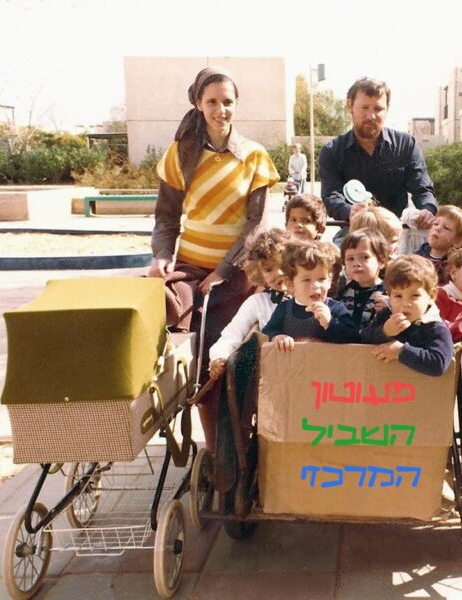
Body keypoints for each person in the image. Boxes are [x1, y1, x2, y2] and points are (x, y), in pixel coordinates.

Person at [148, 66, 279, 450]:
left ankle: (238, 448)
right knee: (192, 351)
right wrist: (161, 256)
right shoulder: (180, 154)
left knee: (230, 361)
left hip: (236, 275)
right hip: (190, 270)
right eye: (212, 102)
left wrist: (222, 270)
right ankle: (210, 447)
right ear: (198, 104)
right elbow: (166, 217)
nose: (221, 110)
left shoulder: (254, 156)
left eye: (228, 102)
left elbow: (256, 224)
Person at [319, 77, 438, 238]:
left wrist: (427, 209)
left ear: (387, 109)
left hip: (397, 235)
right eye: (364, 107)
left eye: (378, 109)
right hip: (353, 234)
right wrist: (349, 211)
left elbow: (422, 188)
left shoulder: (405, 145)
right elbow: (331, 195)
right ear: (350, 106)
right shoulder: (332, 151)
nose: (371, 116)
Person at [208, 228, 288, 379]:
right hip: (272, 376)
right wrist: (219, 357)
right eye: (269, 269)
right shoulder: (258, 303)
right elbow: (232, 335)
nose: (278, 273)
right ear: (259, 274)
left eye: (283, 265)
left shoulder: (312, 298)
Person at [361, 255, 454, 377]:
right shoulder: (387, 315)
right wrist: (385, 331)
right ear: (389, 297)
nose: (405, 304)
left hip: (417, 388)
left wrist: (400, 351)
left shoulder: (435, 328)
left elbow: (439, 363)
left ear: (431, 296)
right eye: (398, 296)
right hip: (383, 383)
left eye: (415, 296)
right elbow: (363, 339)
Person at [262, 239, 359, 349]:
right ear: (290, 284)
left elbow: (354, 338)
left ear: (330, 281)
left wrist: (330, 323)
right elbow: (267, 332)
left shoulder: (336, 309)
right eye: (307, 280)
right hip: (295, 360)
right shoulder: (284, 309)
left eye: (322, 279)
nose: (315, 285)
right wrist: (277, 336)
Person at [335, 228, 388, 329]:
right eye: (350, 259)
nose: (356, 263)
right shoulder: (343, 292)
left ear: (381, 261)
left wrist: (390, 308)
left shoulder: (388, 293)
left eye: (365, 257)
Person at [415, 205, 462, 285]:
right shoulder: (416, 257)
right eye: (435, 224)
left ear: (458, 241)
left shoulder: (453, 267)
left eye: (446, 228)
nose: (438, 228)